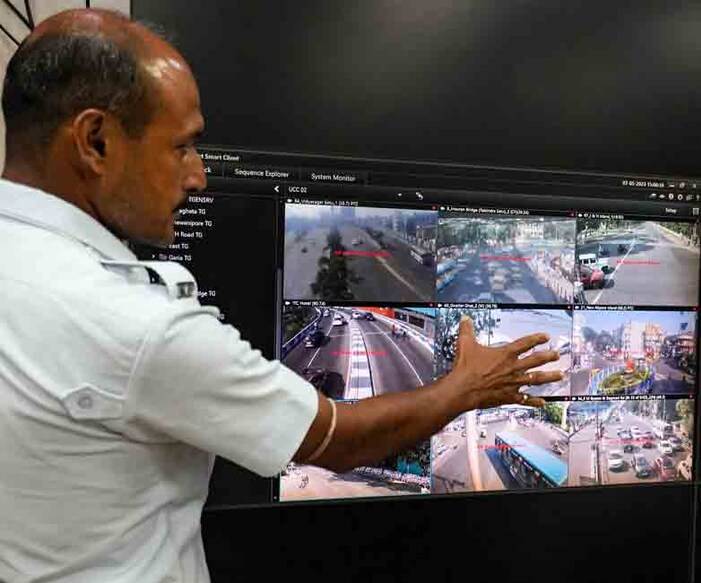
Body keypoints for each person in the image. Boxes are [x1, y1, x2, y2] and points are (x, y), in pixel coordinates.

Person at [0, 9, 561, 582]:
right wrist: (466, 387)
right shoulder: (135, 324)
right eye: (182, 147)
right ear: (95, 141)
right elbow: (337, 440)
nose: (197, 176)